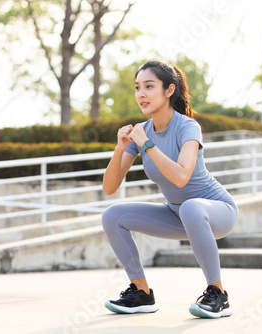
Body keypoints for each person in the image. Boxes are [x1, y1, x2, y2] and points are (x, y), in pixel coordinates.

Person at [101, 60, 239, 319]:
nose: (141, 94)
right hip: (178, 214)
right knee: (112, 215)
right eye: (137, 87)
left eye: (149, 86)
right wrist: (120, 147)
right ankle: (141, 293)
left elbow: (180, 178)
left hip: (216, 212)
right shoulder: (141, 133)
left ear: (169, 90)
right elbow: (110, 187)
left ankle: (218, 294)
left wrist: (148, 144)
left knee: (191, 207)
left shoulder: (187, 127)